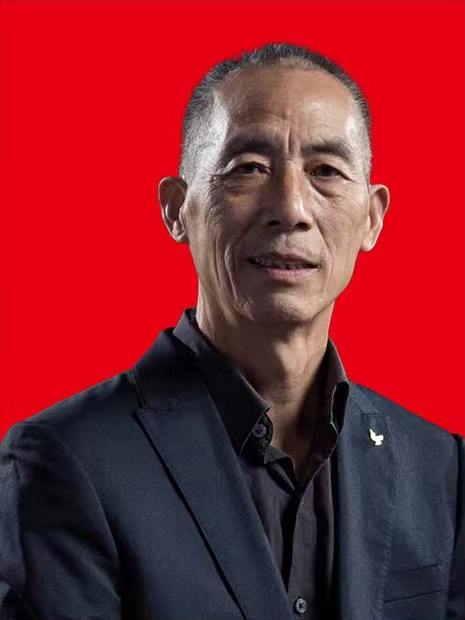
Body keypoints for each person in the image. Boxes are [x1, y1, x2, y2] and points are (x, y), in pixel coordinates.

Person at [0, 42, 463, 620]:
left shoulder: (439, 467)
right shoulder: (66, 461)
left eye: (325, 171)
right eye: (249, 168)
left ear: (372, 218)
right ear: (177, 209)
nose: (291, 208)